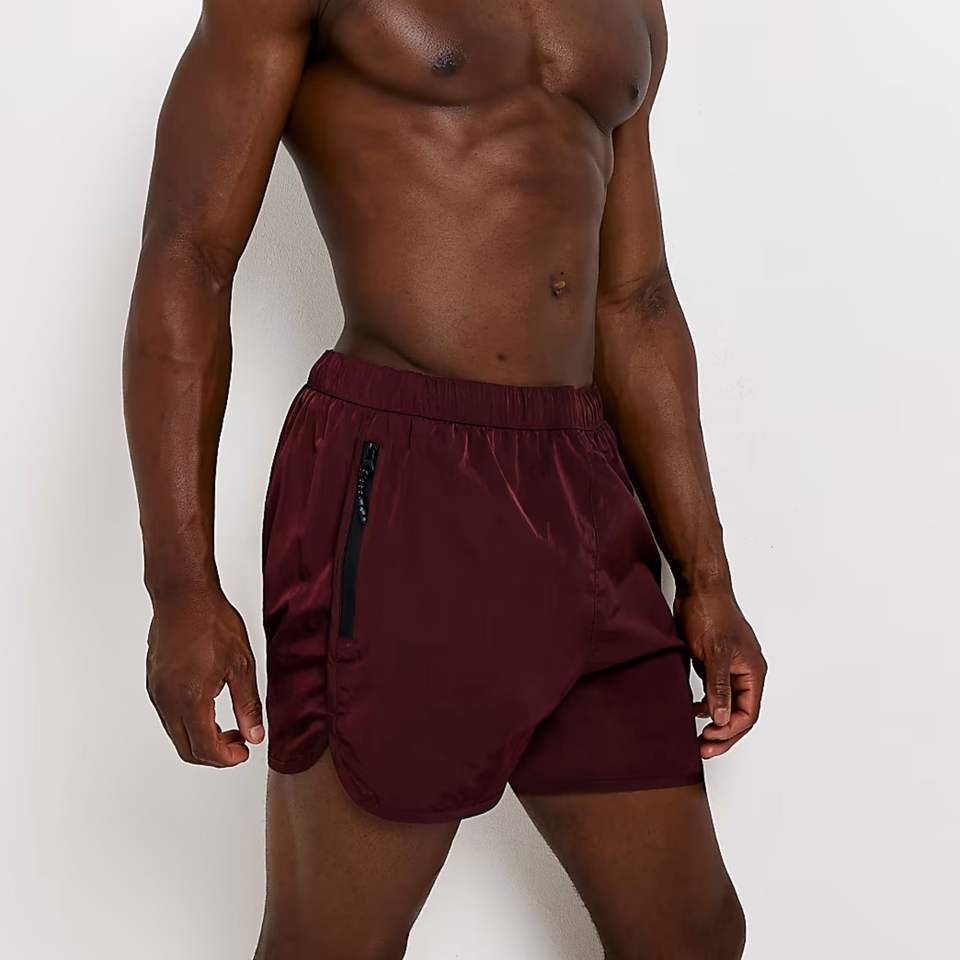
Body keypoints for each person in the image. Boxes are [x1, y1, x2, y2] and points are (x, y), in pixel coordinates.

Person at [123, 1, 767, 957]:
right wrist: (180, 588)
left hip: (585, 484)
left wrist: (707, 577)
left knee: (694, 934)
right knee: (331, 945)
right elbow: (189, 256)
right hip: (400, 482)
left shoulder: (631, 9)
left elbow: (636, 298)